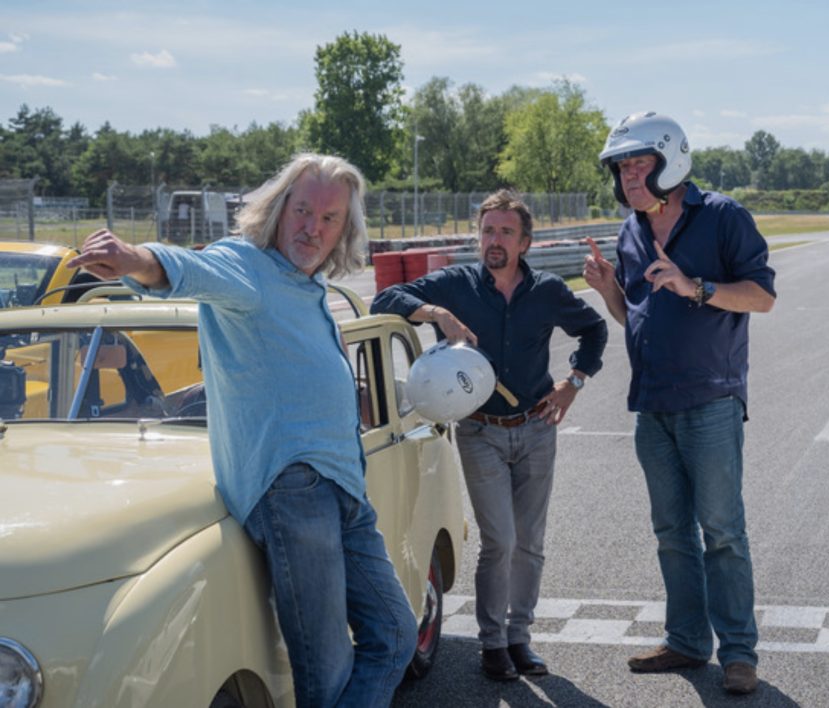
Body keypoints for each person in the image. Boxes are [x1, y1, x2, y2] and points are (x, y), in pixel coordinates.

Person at [67, 153, 417, 708]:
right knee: (327, 675)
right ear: (279, 208)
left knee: (396, 634)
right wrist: (135, 259)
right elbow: (191, 269)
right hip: (295, 489)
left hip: (344, 489)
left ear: (343, 230)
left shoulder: (305, 285)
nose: (313, 228)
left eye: (329, 218)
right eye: (303, 211)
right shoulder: (248, 267)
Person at [371, 189, 607, 681]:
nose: (494, 240)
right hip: (480, 431)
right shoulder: (455, 285)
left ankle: (520, 638)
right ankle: (493, 643)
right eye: (487, 231)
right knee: (500, 539)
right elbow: (386, 298)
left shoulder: (546, 290)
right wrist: (437, 314)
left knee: (530, 542)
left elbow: (595, 330)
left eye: (505, 232)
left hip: (538, 427)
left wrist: (573, 383)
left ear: (524, 242)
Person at [583, 112, 775, 696]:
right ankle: (688, 641)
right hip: (652, 404)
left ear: (671, 162)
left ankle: (738, 653)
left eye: (639, 164)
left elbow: (762, 296)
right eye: (622, 168)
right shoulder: (631, 231)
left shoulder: (723, 217)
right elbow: (636, 317)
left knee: (722, 531)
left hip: (711, 399)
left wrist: (696, 286)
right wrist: (609, 291)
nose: (629, 176)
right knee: (671, 531)